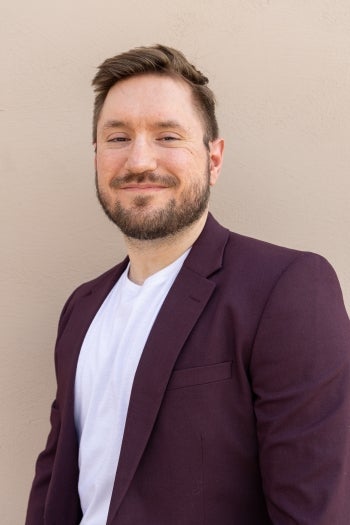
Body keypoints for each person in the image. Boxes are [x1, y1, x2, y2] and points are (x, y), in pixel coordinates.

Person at [25, 44, 350, 525]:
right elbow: (56, 484)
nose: (139, 160)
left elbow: (316, 509)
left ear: (213, 160)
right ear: (96, 155)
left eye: (167, 135)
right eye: (117, 138)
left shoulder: (287, 288)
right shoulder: (82, 308)